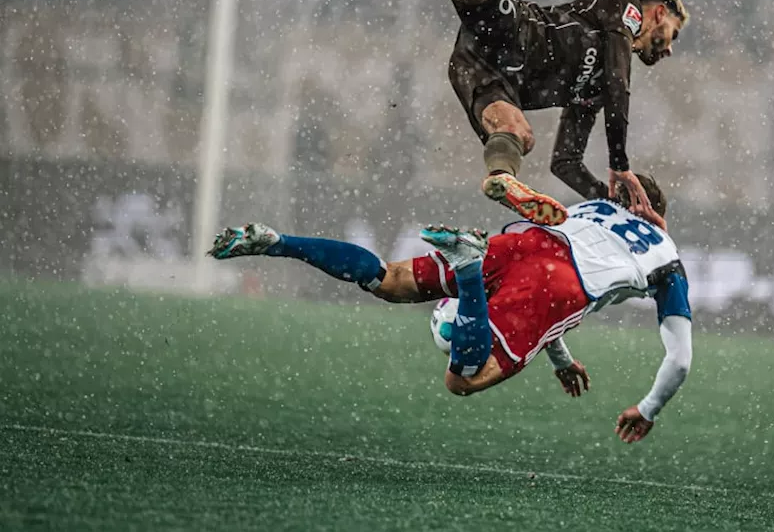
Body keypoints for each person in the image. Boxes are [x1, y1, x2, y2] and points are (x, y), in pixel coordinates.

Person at [311, 0, 689, 225]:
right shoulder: (625, 8)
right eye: (673, 31)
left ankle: (501, 179)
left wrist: (609, 202)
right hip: (515, 28)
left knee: (516, 132)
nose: (669, 48)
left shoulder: (599, 89)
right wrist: (620, 164)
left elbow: (566, 162)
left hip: (479, 70)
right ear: (659, 13)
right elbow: (618, 80)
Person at [207, 175, 691, 444]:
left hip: (527, 241)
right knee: (463, 379)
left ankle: (277, 243)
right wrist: (648, 409)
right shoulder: (668, 258)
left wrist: (561, 358)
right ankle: (465, 269)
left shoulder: (593, 209)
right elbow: (680, 359)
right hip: (563, 283)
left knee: (388, 280)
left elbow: (538, 280)